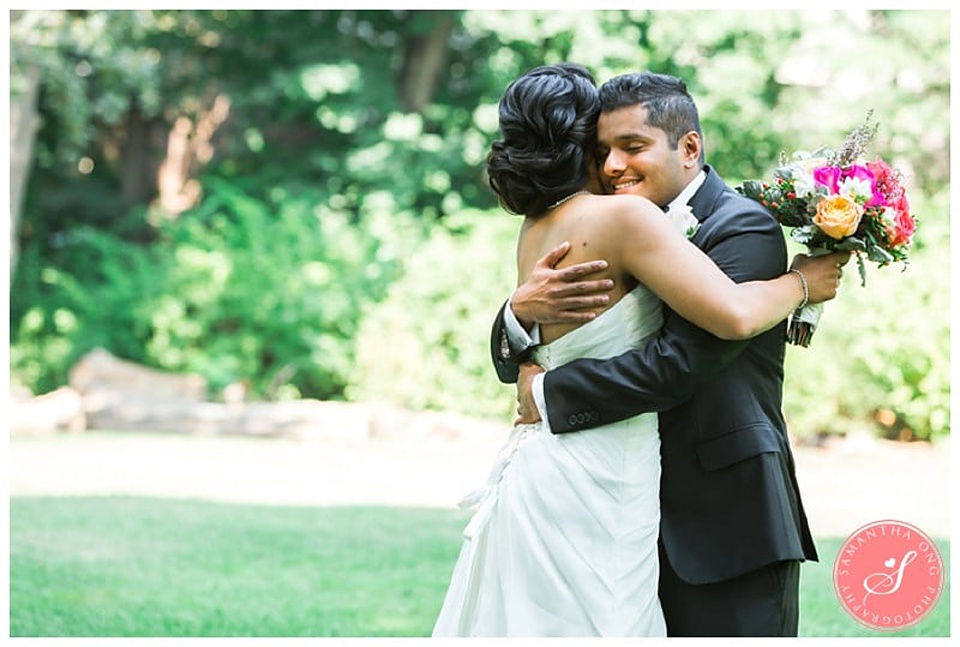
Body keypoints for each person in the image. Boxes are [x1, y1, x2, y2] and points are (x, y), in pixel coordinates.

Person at [433, 63, 845, 637]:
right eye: (600, 148)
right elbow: (722, 315)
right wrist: (517, 313)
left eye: (631, 146)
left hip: (720, 513)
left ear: (690, 147)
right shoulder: (617, 219)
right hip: (611, 489)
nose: (612, 165)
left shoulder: (741, 226)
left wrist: (546, 392)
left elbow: (682, 361)